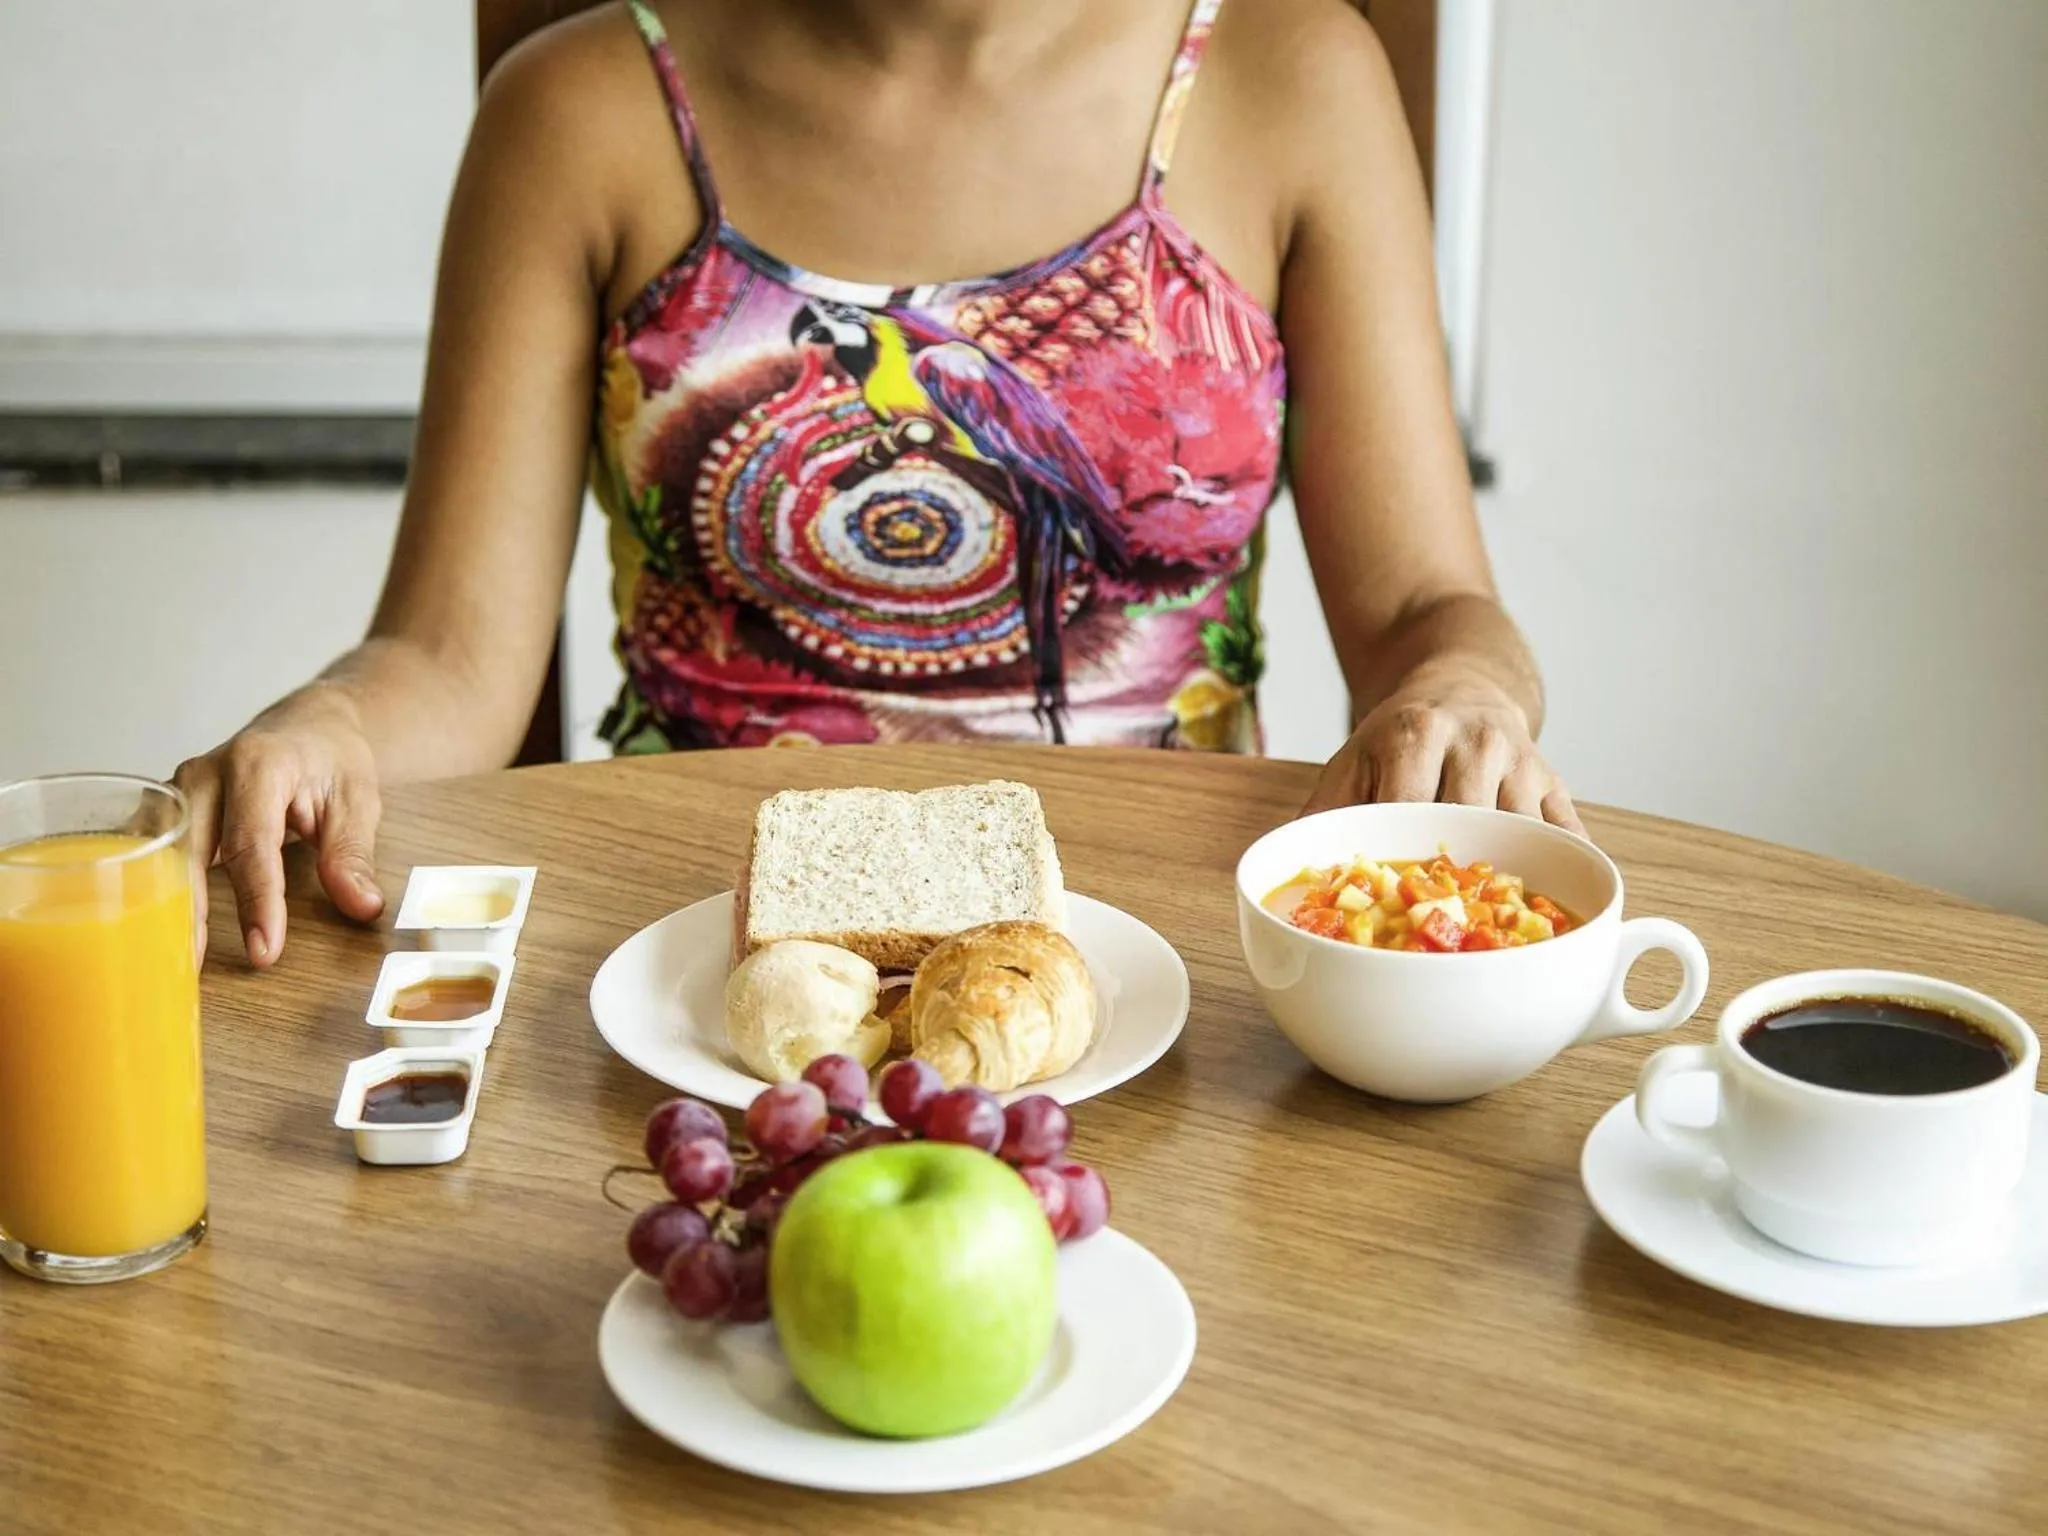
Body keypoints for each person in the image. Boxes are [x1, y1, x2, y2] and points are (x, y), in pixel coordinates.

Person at [175, 0, 1579, 969]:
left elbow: (1427, 604)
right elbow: (448, 654)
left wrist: (1464, 695)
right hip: (697, 961)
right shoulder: (578, 112)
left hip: (1174, 974)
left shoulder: (1299, 77)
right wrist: (331, 728)